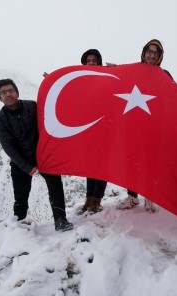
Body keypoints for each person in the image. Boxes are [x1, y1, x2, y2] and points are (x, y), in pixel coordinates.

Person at [0, 79, 73, 231]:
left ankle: (61, 220)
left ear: (17, 93)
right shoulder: (0, 119)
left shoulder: (32, 106)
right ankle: (18, 226)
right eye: (3, 93)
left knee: (55, 186)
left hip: (43, 155)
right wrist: (26, 167)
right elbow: (8, 147)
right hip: (20, 161)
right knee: (21, 196)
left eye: (10, 91)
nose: (8, 94)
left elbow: (49, 121)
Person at [119, 39, 173, 213]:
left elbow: (173, 95)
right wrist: (112, 69)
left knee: (151, 161)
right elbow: (119, 77)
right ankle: (132, 196)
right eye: (149, 51)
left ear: (160, 56)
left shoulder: (164, 74)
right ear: (144, 53)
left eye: (155, 52)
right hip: (133, 125)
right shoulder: (133, 70)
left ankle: (150, 196)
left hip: (153, 126)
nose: (151, 55)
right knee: (132, 161)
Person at [77, 49, 108, 215]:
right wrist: (52, 80)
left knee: (102, 166)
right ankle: (89, 199)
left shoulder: (106, 79)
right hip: (87, 131)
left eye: (94, 60)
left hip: (104, 130)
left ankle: (96, 201)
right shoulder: (80, 81)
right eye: (88, 60)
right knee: (90, 167)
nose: (91, 63)